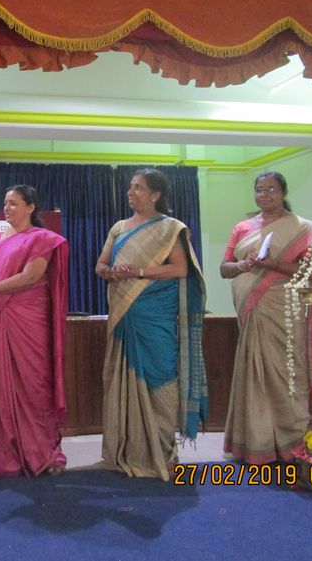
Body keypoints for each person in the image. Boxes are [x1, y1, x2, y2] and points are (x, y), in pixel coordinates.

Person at [96, 169, 207, 480]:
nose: (131, 192)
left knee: (161, 376)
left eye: (139, 188)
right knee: (120, 379)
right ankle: (127, 452)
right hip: (124, 313)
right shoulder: (119, 228)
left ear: (156, 195)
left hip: (155, 313)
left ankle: (162, 452)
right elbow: (101, 263)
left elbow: (180, 269)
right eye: (131, 187)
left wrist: (138, 272)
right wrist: (108, 272)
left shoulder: (170, 228)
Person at [0, 185, 68, 477]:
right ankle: (5, 453)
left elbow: (30, 277)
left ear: (30, 207)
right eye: (5, 203)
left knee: (34, 386)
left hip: (28, 322)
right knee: (0, 388)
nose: (7, 208)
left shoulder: (42, 239)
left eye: (13, 203)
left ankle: (43, 453)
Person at [221, 171, 312, 464]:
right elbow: (224, 268)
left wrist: (273, 264)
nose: (265, 194)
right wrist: (243, 265)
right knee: (253, 372)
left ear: (284, 192)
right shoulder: (242, 228)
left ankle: (292, 441)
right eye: (260, 189)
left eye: (271, 189)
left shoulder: (302, 228)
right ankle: (257, 442)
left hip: (282, 309)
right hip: (250, 308)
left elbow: (311, 272)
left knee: (287, 372)